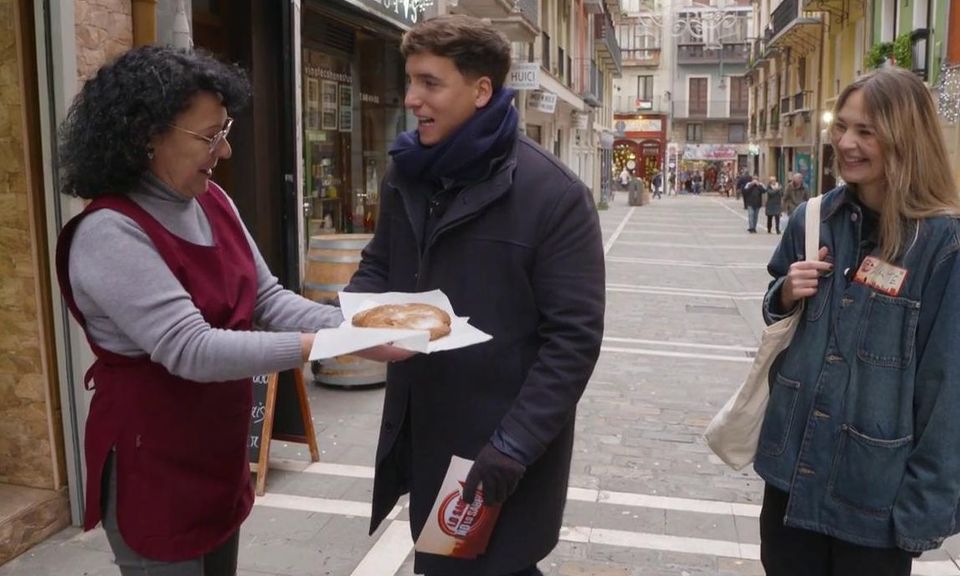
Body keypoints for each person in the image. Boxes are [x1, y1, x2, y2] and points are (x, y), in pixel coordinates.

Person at [55, 46, 351, 575]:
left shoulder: (213, 201)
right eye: (208, 135)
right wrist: (331, 345)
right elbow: (191, 349)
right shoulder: (110, 232)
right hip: (154, 460)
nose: (226, 149)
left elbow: (266, 299)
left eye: (225, 129)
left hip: (214, 448)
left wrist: (358, 325)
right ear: (146, 135)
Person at [344, 15, 605, 576]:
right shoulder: (406, 173)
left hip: (498, 450)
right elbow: (378, 267)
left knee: (487, 567)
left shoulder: (554, 195)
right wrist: (359, 321)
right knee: (442, 565)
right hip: (422, 434)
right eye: (409, 80)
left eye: (430, 82)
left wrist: (511, 448)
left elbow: (573, 342)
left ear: (481, 90)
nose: (412, 98)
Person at [756, 67, 960, 576]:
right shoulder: (814, 219)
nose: (846, 143)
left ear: (906, 139)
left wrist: (921, 514)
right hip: (792, 480)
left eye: (866, 131)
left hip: (873, 503)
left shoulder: (946, 246)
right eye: (842, 127)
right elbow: (777, 317)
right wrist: (786, 292)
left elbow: (953, 393)